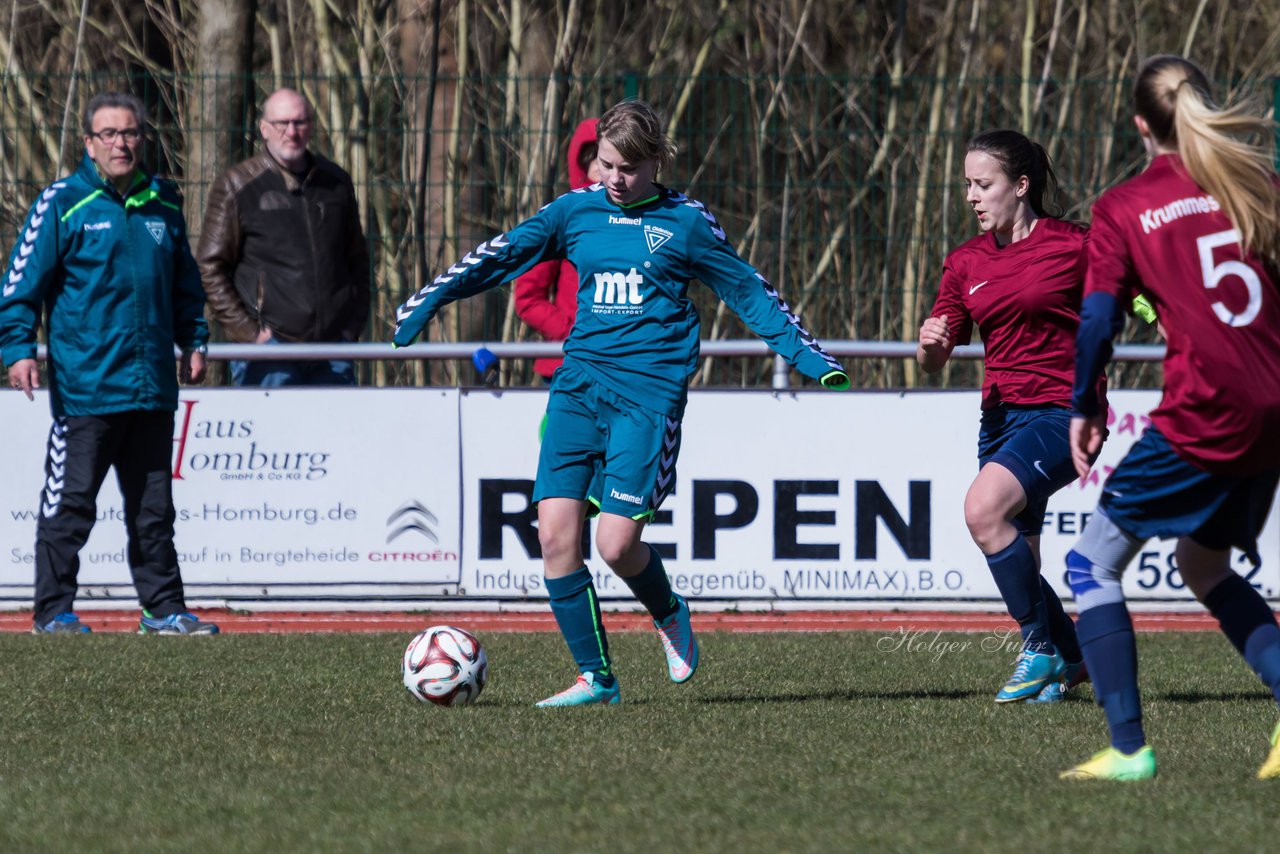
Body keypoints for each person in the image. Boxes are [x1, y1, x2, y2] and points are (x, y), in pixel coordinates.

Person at [394, 100, 850, 706]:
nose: (612, 178)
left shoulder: (686, 223)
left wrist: (810, 358)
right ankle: (596, 679)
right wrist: (430, 301)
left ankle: (668, 611)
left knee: (615, 544)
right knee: (555, 534)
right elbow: (503, 254)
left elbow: (747, 289)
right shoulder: (575, 211)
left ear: (657, 161)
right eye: (605, 164)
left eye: (627, 168)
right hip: (579, 387)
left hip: (647, 400)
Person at [1060, 54, 1280, 781]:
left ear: (1137, 125)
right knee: (1203, 562)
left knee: (1090, 563)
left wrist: (1085, 404)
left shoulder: (1124, 207)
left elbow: (1095, 325)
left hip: (1207, 410)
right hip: (1274, 409)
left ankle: (1129, 750)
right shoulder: (1258, 184)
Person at [0, 92, 219, 635]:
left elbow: (186, 287)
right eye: (109, 134)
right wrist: (17, 348)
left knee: (154, 511)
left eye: (131, 133)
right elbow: (20, 287)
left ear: (143, 139)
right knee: (70, 505)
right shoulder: (61, 202)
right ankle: (54, 612)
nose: (121, 143)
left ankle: (163, 609)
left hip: (151, 388)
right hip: (86, 388)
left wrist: (195, 340)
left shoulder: (163, 204)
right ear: (89, 144)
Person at [917, 130, 1095, 704]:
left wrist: (1160, 314)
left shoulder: (1075, 244)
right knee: (1021, 553)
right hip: (999, 420)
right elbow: (933, 360)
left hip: (1064, 414)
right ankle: (1074, 659)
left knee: (981, 509)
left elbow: (1136, 294)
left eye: (983, 184)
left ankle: (1038, 647)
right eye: (967, 183)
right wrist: (931, 342)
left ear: (1020, 187)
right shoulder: (965, 261)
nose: (971, 196)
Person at [198, 87, 370, 386]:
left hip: (333, 349)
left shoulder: (336, 183)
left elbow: (358, 261)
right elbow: (209, 267)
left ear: (310, 127)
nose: (292, 132)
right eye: (282, 124)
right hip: (270, 353)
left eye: (300, 122)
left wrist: (351, 327)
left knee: (335, 434)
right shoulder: (238, 186)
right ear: (265, 129)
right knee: (272, 434)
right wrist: (251, 334)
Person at [514, 118, 601, 382]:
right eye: (596, 159)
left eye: (616, 159)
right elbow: (527, 297)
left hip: (622, 367)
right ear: (582, 163)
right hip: (567, 367)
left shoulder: (639, 221)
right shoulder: (562, 219)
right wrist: (571, 331)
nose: (606, 168)